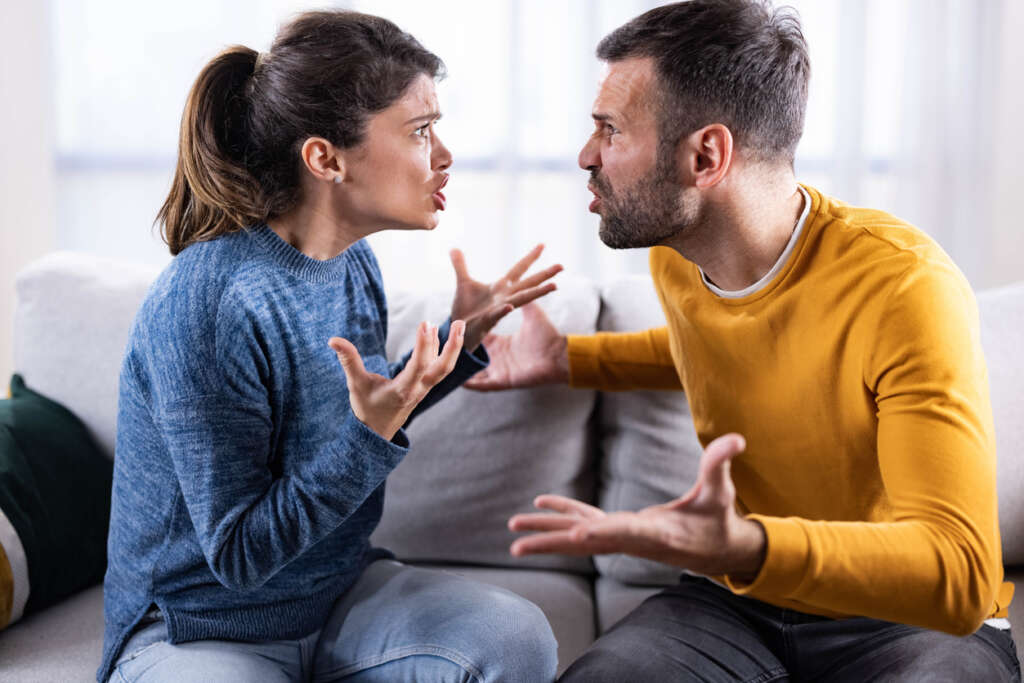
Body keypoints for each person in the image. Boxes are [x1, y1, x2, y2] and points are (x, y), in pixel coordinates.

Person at [467, 1, 1021, 680]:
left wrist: (751, 544)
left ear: (706, 154)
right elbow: (722, 348)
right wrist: (567, 360)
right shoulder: (677, 256)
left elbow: (957, 573)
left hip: (901, 617)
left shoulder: (903, 287)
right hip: (737, 604)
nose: (586, 156)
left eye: (609, 130)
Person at [100, 10, 561, 683]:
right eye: (420, 131)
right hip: (200, 625)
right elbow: (238, 556)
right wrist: (370, 435)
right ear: (325, 158)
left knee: (517, 640)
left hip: (337, 592)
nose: (444, 154)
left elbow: (358, 420)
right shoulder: (211, 304)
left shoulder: (353, 263)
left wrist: (463, 339)